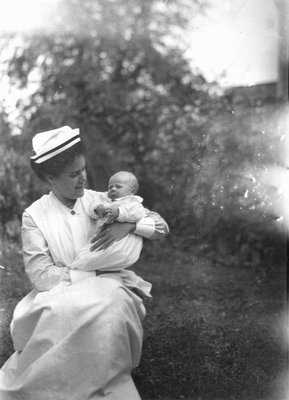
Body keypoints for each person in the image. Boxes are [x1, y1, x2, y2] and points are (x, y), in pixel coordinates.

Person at [0, 125, 169, 400]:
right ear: (50, 178)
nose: (83, 179)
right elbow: (41, 276)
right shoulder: (35, 215)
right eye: (73, 174)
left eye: (83, 170)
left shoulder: (101, 201)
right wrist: (92, 273)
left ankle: (101, 381)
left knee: (111, 300)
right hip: (60, 290)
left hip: (109, 287)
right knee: (68, 310)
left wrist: (130, 226)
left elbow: (162, 228)